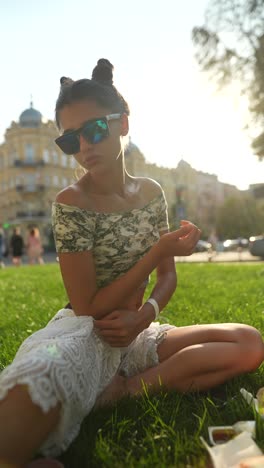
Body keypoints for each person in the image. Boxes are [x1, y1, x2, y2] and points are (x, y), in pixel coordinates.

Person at [0, 58, 263, 467]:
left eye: (94, 129)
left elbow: (168, 278)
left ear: (123, 123)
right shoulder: (70, 202)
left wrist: (145, 316)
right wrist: (156, 253)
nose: (84, 147)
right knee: (35, 385)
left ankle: (125, 390)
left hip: (136, 335)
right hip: (87, 331)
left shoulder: (152, 192)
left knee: (248, 343)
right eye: (70, 140)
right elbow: (87, 306)